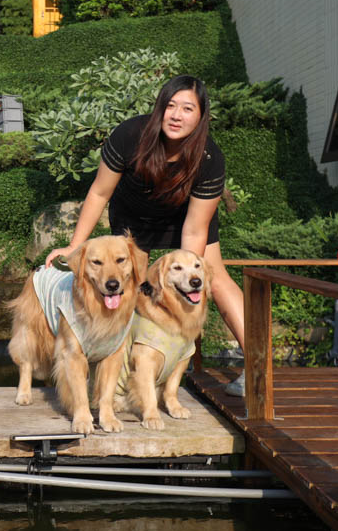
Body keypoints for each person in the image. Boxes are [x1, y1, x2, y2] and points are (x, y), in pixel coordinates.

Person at [43, 74, 246, 396]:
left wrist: (184, 278)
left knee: (213, 278)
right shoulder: (130, 135)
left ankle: (258, 366)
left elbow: (194, 229)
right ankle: (125, 372)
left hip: (185, 220)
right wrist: (75, 246)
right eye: (170, 106)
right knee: (131, 285)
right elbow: (98, 193)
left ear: (201, 116)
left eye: (188, 108)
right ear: (159, 108)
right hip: (132, 220)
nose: (177, 115)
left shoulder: (210, 159)